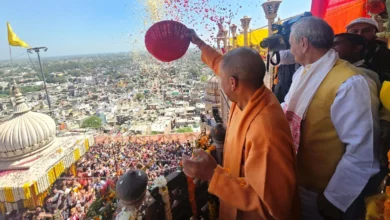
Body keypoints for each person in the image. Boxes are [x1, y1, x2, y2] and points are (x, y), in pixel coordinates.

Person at [182, 29, 300, 219]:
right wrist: (200, 44)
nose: (220, 82)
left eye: (222, 80)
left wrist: (213, 175)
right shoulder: (250, 94)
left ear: (232, 83)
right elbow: (223, 65)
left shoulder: (265, 131)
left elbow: (271, 206)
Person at [282, 17, 380, 219]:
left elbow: (363, 151)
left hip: (325, 193)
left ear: (303, 43)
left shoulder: (350, 82)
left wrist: (336, 197)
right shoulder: (302, 74)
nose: (290, 50)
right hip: (298, 181)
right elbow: (287, 108)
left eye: (291, 43)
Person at [346, 17, 390, 83]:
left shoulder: (385, 54)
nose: (359, 34)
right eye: (355, 31)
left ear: (375, 32)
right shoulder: (340, 53)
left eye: (366, 31)